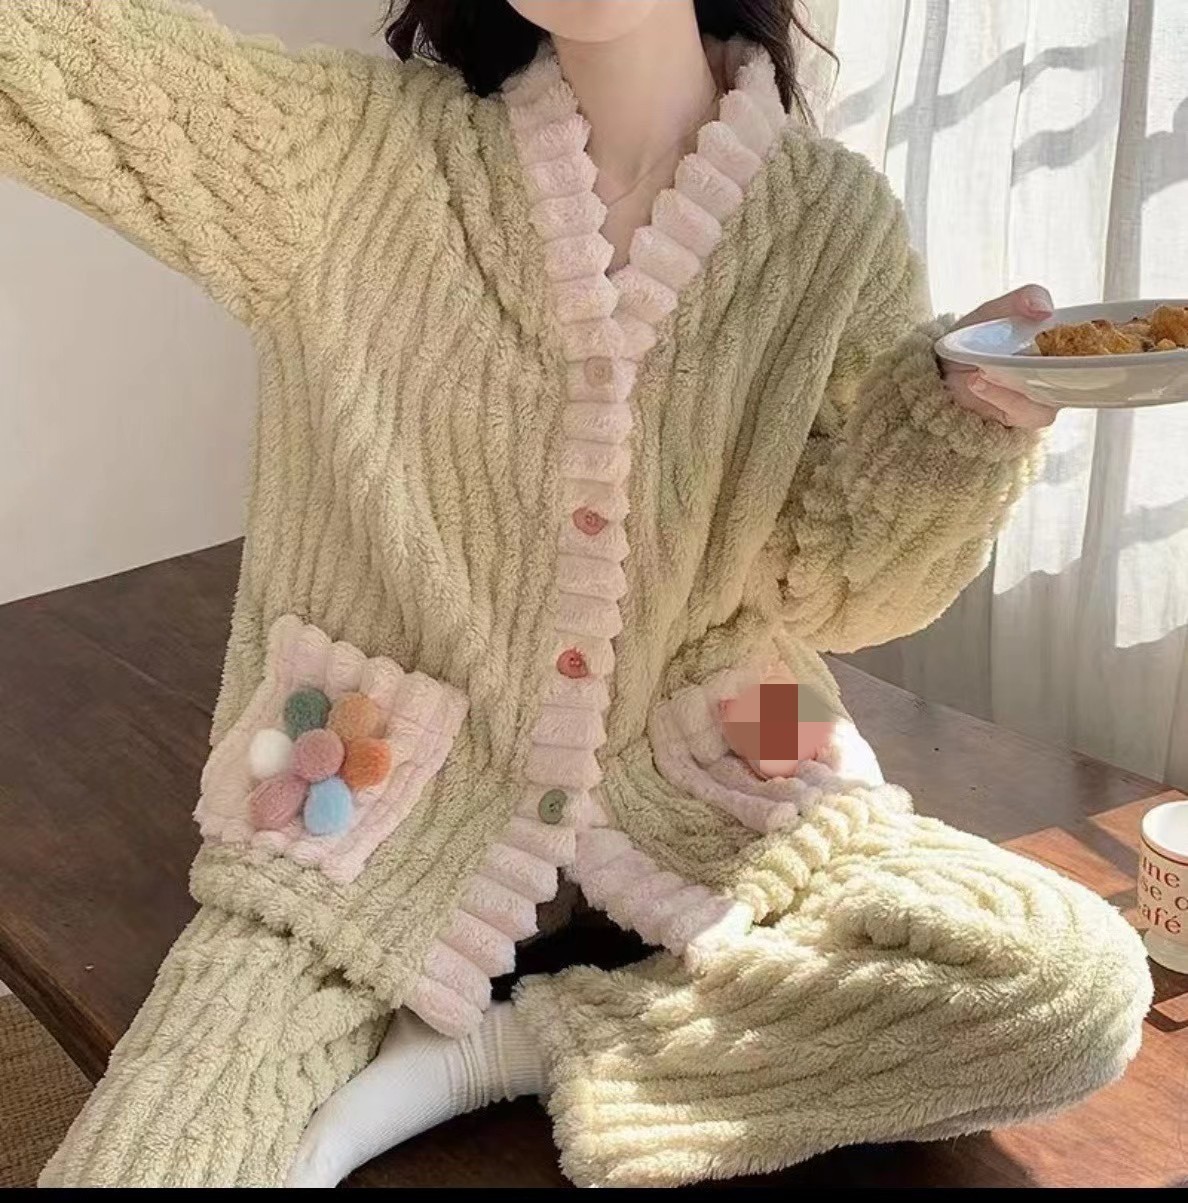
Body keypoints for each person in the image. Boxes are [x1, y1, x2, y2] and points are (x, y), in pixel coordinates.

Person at [0, 0, 1151, 1189]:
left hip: (731, 755)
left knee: (1061, 984)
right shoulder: (336, 150)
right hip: (374, 802)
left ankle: (488, 1057)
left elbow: (840, 594)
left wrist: (957, 427)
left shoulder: (831, 223)